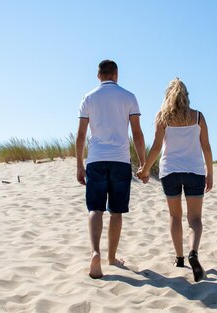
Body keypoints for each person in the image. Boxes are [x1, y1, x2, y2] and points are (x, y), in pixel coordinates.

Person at [138, 78, 213, 282]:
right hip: (195, 171)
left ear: (167, 95)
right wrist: (210, 173)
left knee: (175, 216)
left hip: (170, 171)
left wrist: (145, 170)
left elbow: (155, 147)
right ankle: (193, 254)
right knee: (195, 219)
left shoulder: (162, 117)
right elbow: (206, 147)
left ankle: (179, 259)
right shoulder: (198, 117)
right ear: (186, 96)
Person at [76, 60, 146, 279]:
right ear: (116, 75)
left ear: (99, 76)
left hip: (96, 159)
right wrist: (143, 163)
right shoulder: (129, 97)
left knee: (95, 209)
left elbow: (80, 136)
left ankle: (95, 252)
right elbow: (137, 133)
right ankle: (112, 257)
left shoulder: (89, 97)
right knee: (116, 211)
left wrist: (79, 164)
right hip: (120, 160)